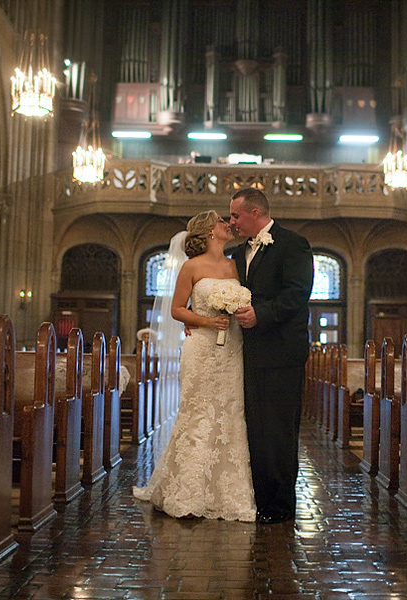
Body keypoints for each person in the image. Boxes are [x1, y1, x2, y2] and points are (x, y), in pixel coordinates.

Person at [133, 210, 256, 522]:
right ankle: (187, 490)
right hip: (201, 346)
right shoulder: (191, 266)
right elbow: (176, 310)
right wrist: (205, 320)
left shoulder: (235, 264)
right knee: (197, 410)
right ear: (209, 232)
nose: (228, 224)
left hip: (231, 348)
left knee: (230, 411)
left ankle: (228, 492)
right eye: (221, 222)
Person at [229, 188, 314, 524]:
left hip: (282, 351)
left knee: (278, 430)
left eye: (236, 215)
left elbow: (297, 293)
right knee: (255, 429)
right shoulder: (238, 252)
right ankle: (258, 499)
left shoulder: (293, 243)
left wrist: (260, 315)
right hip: (248, 353)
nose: (232, 222)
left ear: (255, 213)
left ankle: (280, 507)